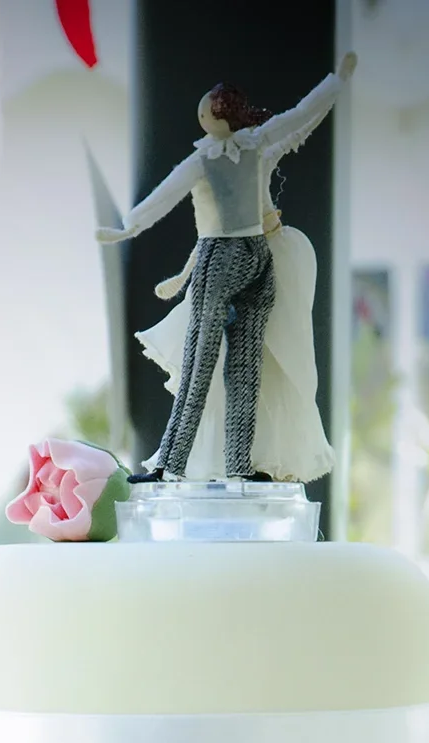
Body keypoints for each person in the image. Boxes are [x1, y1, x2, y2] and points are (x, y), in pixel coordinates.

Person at [97, 57, 355, 483]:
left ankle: (172, 465)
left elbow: (165, 194)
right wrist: (335, 83)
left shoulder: (213, 159)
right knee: (242, 368)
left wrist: (129, 227)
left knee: (202, 361)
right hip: (258, 256)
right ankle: (233, 466)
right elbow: (299, 119)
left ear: (214, 118)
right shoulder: (256, 145)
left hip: (222, 259)